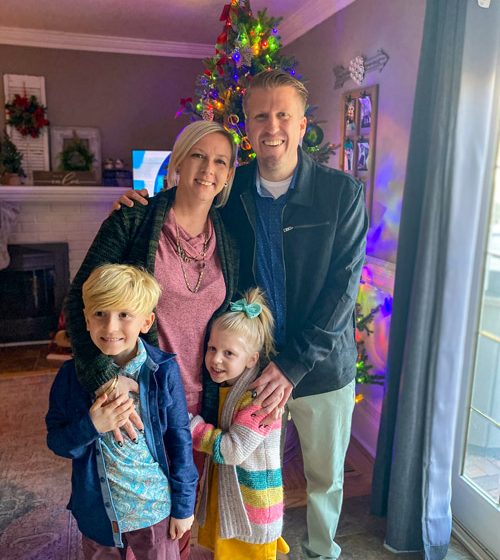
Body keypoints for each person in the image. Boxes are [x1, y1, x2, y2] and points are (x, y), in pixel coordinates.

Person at [115, 69, 368, 559]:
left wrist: (293, 366)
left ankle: (321, 552)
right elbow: (187, 206)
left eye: (283, 115)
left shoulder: (342, 194)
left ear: (300, 125)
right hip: (246, 368)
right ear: (246, 125)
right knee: (243, 470)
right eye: (260, 115)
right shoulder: (232, 189)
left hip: (318, 369)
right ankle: (249, 549)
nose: (271, 125)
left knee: (323, 478)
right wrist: (138, 208)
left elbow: (342, 291)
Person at [65, 120, 239, 559]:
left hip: (200, 401)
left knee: (180, 513)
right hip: (139, 397)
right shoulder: (136, 218)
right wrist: (106, 377)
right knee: (123, 519)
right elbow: (78, 299)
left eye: (220, 160)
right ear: (178, 162)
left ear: (229, 175)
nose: (208, 168)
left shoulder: (231, 237)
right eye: (198, 155)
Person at [46, 264, 198, 559]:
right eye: (100, 313)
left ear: (146, 321)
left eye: (124, 315)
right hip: (97, 514)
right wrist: (92, 425)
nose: (110, 327)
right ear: (86, 321)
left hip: (154, 509)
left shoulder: (163, 371)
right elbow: (57, 441)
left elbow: (180, 440)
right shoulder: (69, 377)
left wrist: (184, 505)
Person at [190, 288, 289, 559]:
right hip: (235, 500)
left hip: (252, 509)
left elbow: (233, 450)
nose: (216, 359)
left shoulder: (258, 399)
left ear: (252, 359)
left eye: (229, 353)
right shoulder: (231, 388)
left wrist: (191, 426)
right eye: (212, 348)